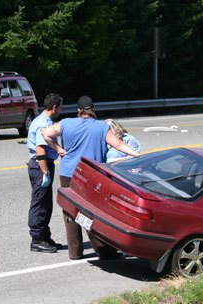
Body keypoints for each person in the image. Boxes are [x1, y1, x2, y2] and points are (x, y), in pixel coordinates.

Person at [42, 95, 140, 260]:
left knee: (70, 211)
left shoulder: (66, 123)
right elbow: (118, 144)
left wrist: (58, 148)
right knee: (93, 212)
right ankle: (103, 251)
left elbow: (46, 133)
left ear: (78, 110)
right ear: (93, 109)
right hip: (91, 175)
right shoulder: (101, 127)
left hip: (68, 172)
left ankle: (75, 252)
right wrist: (137, 155)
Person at [26, 93, 63, 253]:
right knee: (40, 203)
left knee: (46, 203)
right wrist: (45, 172)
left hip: (42, 165)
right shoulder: (43, 124)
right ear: (54, 107)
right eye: (60, 107)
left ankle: (45, 236)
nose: (60, 110)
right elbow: (40, 150)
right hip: (41, 165)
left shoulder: (44, 120)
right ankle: (37, 239)